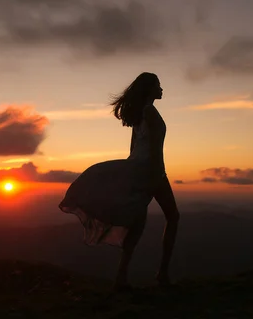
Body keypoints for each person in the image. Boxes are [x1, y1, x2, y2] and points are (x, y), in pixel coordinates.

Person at [59, 72, 180, 291]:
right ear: (150, 89)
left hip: (140, 170)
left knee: (137, 225)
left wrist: (131, 172)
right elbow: (152, 150)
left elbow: (133, 150)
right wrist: (155, 175)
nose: (162, 89)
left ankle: (121, 278)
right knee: (173, 217)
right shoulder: (150, 112)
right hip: (151, 171)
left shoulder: (140, 114)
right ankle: (162, 274)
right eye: (159, 85)